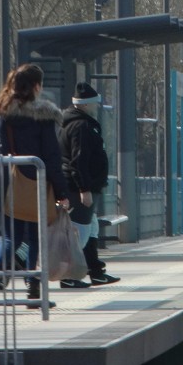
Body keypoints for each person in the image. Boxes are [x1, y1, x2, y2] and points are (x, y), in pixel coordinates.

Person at [0, 64, 78, 305]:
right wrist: (62, 192)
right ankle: (34, 288)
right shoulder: (43, 117)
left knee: (10, 237)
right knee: (37, 236)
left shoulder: (1, 114)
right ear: (37, 86)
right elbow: (52, 157)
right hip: (37, 184)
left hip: (8, 184)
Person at [57, 82, 119, 288]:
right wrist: (84, 189)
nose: (97, 106)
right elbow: (79, 160)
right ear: (86, 104)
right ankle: (68, 275)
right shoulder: (81, 126)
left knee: (90, 227)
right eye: (95, 103)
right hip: (78, 188)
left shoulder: (75, 122)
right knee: (80, 232)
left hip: (82, 185)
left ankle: (95, 271)